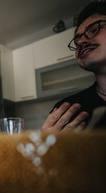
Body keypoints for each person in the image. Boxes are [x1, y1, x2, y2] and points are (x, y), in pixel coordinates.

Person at [42, 2, 106, 132]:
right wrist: (48, 148)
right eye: (76, 42)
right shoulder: (66, 111)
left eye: (94, 30)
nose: (81, 42)